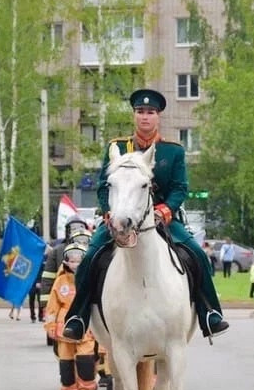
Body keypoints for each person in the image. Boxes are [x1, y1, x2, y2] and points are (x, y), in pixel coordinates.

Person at [61, 88, 228, 340]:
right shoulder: (117, 147)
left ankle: (209, 313)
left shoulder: (173, 151)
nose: (145, 117)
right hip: (121, 218)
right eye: (140, 112)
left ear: (158, 116)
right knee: (90, 257)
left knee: (197, 254)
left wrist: (165, 209)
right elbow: (104, 186)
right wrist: (108, 212)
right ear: (134, 115)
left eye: (150, 112)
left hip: (160, 220)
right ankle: (78, 316)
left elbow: (180, 188)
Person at [43, 244, 99, 390]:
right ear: (66, 262)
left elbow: (95, 305)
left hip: (85, 328)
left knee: (86, 361)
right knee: (66, 364)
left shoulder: (90, 280)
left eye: (78, 260)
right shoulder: (60, 281)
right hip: (64, 330)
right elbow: (52, 306)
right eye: (72, 260)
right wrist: (50, 326)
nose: (75, 264)